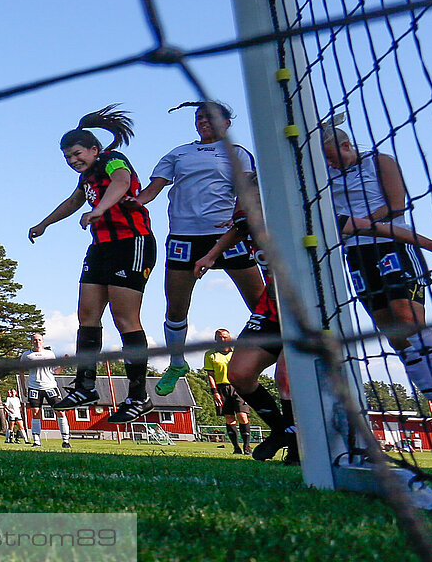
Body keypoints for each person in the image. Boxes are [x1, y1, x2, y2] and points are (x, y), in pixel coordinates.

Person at [29, 106, 155, 425]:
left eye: (77, 154)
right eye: (68, 158)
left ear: (94, 149)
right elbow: (74, 202)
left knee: (125, 318)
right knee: (87, 314)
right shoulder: (86, 177)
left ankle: (139, 397)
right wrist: (43, 224)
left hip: (132, 242)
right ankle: (85, 386)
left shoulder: (113, 160)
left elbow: (122, 183)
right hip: (101, 247)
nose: (73, 161)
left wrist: (98, 209)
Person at [135, 102, 269, 396]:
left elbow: (247, 190)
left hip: (226, 235)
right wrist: (135, 201)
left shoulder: (239, 154)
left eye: (210, 117)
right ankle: (177, 361)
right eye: (199, 118)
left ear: (227, 123)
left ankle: (282, 352)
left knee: (261, 303)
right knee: (176, 305)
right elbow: (152, 189)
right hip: (184, 237)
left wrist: (238, 216)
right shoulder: (179, 153)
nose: (203, 122)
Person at [324, 127, 432, 408]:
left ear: (347, 145)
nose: (330, 164)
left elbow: (396, 206)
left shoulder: (379, 161)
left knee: (407, 319)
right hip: (356, 252)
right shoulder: (323, 175)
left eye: (332, 157)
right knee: (391, 331)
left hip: (392, 242)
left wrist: (354, 223)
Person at [193, 223, 296, 463]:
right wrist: (211, 256)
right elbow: (240, 226)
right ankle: (280, 430)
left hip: (304, 305)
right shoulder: (251, 205)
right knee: (239, 373)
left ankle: (297, 445)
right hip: (270, 309)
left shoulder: (295, 205)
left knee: (286, 377)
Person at [19, 333, 72, 448]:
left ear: (43, 341)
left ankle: (65, 440)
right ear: (31, 341)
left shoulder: (49, 354)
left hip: (50, 387)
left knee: (60, 411)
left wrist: (64, 364)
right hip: (34, 387)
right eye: (35, 340)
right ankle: (36, 441)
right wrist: (23, 388)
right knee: (35, 413)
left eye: (39, 340)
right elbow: (21, 372)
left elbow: (56, 371)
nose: (37, 342)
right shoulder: (26, 355)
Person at [204, 328, 251, 454]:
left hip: (238, 387)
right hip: (221, 388)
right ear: (215, 339)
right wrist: (215, 392)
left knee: (242, 415)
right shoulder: (210, 354)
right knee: (229, 418)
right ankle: (236, 447)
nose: (222, 340)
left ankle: (247, 446)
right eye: (219, 337)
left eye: (225, 337)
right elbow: (210, 375)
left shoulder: (236, 353)